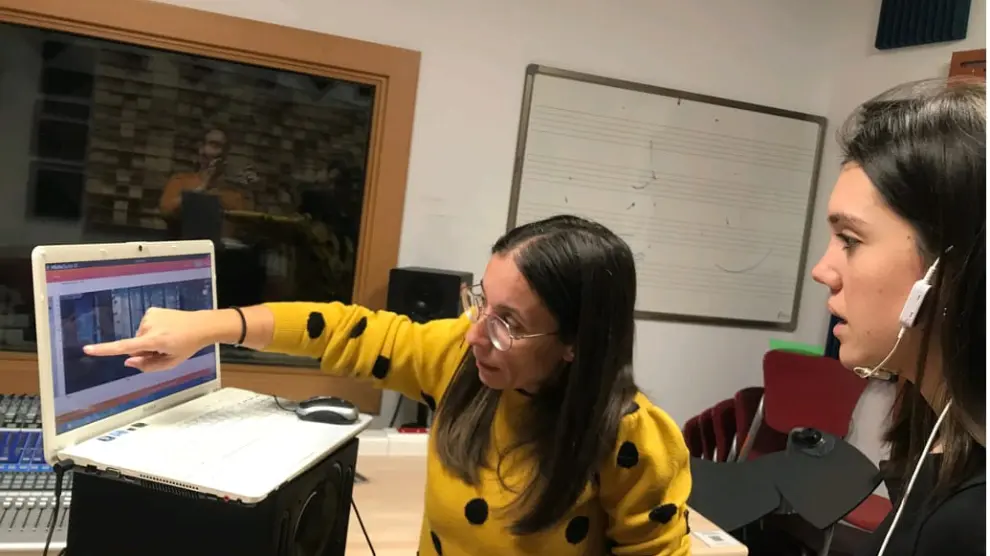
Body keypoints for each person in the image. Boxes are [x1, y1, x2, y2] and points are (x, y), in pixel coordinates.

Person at [84, 215, 693, 555]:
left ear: (577, 343)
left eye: (508, 323)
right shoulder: (458, 360)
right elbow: (344, 330)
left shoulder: (632, 440)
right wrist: (209, 327)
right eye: (482, 301)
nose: (476, 334)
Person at [810, 77, 985, 556]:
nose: (822, 270)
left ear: (947, 268)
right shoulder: (941, 440)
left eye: (850, 240)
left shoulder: (972, 523)